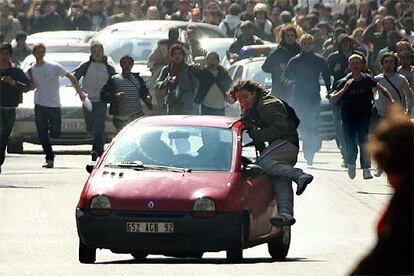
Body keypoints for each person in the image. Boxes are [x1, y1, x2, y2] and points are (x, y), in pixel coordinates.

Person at [229, 80, 313, 227]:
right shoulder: (251, 109)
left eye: (245, 97)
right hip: (278, 148)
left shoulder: (267, 105)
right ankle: (286, 214)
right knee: (279, 177)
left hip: (286, 144)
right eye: (239, 99)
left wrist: (257, 135)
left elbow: (281, 128)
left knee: (261, 164)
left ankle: (299, 175)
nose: (242, 101)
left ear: (254, 93)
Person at [351, 104, 413, 275]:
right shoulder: (404, 194)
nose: (389, 181)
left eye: (387, 169)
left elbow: (387, 252)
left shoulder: (407, 199)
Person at [329, 54, 394, 180]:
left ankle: (366, 169)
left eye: (358, 63)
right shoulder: (343, 82)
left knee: (364, 142)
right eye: (352, 64)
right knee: (350, 142)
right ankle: (351, 163)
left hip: (364, 116)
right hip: (348, 117)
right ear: (349, 66)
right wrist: (345, 88)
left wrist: (390, 99)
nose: (355, 66)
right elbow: (332, 99)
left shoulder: (367, 79)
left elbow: (382, 89)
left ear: (362, 65)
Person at [27, 43, 86, 168]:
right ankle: (49, 157)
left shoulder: (53, 66)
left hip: (54, 105)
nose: (40, 54)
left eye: (42, 51)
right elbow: (29, 85)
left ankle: (51, 134)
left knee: (55, 133)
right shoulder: (31, 70)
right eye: (37, 52)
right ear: (34, 53)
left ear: (44, 53)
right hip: (39, 105)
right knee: (42, 134)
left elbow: (71, 77)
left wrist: (80, 92)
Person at [283, 34, 331, 165]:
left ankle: (313, 147)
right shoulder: (295, 60)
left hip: (314, 97)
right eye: (305, 43)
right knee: (303, 125)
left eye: (310, 43)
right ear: (301, 45)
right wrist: (291, 81)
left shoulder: (319, 60)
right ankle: (308, 152)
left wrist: (329, 90)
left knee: (313, 124)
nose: (307, 45)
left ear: (313, 45)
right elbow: (285, 76)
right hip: (299, 97)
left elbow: (326, 75)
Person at [73, 42, 116, 161]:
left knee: (99, 125)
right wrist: (80, 92)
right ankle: (99, 149)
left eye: (99, 50)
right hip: (88, 100)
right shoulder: (86, 65)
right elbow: (74, 77)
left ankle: (97, 150)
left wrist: (112, 94)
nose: (97, 53)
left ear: (103, 52)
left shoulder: (108, 67)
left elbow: (115, 81)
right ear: (91, 53)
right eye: (94, 51)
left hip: (101, 101)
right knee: (91, 126)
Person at [101, 55, 152, 132]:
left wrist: (148, 97)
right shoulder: (114, 79)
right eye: (124, 63)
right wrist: (115, 96)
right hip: (120, 118)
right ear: (121, 65)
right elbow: (103, 95)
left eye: (129, 63)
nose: (127, 65)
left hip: (136, 115)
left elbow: (144, 92)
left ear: (132, 65)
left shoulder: (137, 79)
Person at [0, 42, 30, 175]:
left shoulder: (16, 72)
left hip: (10, 109)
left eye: (6, 54)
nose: (4, 56)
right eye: (1, 53)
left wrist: (12, 82)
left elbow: (27, 86)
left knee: (4, 137)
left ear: (10, 55)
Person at [155, 44, 197, 115]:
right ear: (171, 56)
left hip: (186, 103)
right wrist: (165, 82)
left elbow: (195, 85)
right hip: (172, 102)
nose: (177, 56)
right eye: (175, 54)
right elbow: (157, 83)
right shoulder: (167, 69)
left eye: (179, 54)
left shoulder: (189, 69)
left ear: (183, 56)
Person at [262, 25, 301, 103]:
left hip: (297, 90)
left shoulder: (300, 51)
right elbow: (265, 67)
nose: (290, 37)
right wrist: (278, 69)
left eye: (292, 35)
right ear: (283, 37)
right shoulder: (277, 51)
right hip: (280, 90)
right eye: (287, 35)